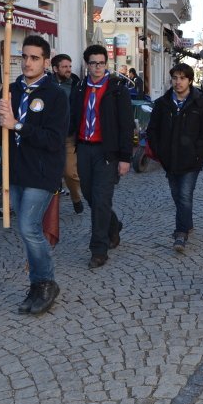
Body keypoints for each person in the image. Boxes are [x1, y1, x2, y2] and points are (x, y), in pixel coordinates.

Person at [0, 35, 68, 315]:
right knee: (27, 231)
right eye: (24, 57)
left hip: (42, 172)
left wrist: (18, 125)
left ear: (46, 62)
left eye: (34, 58)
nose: (27, 62)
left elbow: (54, 139)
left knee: (28, 227)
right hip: (16, 171)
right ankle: (37, 285)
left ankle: (46, 282)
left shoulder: (55, 95)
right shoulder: (10, 90)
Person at [70, 44, 134, 269]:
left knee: (101, 199)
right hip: (85, 149)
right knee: (90, 196)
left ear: (106, 64)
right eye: (93, 63)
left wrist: (125, 158)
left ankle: (99, 249)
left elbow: (126, 126)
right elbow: (72, 118)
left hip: (107, 152)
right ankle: (113, 225)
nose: (97, 67)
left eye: (101, 63)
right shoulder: (79, 88)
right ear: (87, 65)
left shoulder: (117, 89)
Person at [147, 63, 203, 252]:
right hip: (169, 159)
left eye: (182, 78)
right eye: (175, 78)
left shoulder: (201, 103)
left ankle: (180, 233)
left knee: (185, 195)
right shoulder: (162, 103)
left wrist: (197, 152)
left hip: (191, 161)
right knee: (177, 195)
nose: (178, 82)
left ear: (190, 80)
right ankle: (188, 223)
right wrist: (160, 151)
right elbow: (152, 130)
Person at [51, 53, 83, 214]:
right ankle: (47, 208)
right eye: (64, 67)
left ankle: (76, 198)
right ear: (55, 68)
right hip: (50, 136)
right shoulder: (47, 85)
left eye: (69, 66)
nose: (68, 69)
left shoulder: (77, 84)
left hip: (69, 135)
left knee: (70, 172)